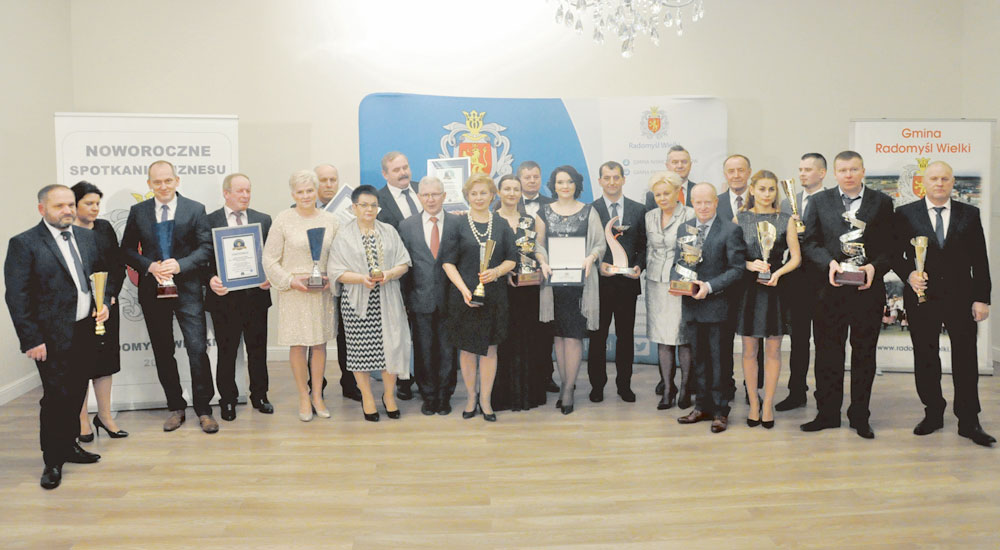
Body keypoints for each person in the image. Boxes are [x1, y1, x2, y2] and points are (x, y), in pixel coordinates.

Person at [5, 184, 108, 489]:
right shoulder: (24, 243)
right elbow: (17, 296)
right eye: (59, 206)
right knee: (55, 397)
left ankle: (69, 445)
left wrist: (104, 303)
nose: (67, 211)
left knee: (76, 392)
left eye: (70, 205)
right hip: (49, 338)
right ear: (42, 209)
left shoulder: (87, 237)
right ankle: (52, 460)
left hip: (85, 330)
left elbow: (101, 276)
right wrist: (31, 339)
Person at [892, 160, 994, 447]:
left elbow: (980, 260)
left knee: (966, 359)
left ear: (952, 182)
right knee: (925, 357)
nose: (939, 183)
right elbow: (894, 254)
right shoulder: (905, 214)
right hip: (922, 297)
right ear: (924, 182)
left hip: (961, 299)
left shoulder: (969, 213)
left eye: (945, 179)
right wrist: (909, 274)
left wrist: (982, 298)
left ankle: (969, 420)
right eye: (934, 178)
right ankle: (933, 412)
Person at [800, 150, 895, 439]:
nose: (849, 175)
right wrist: (828, 263)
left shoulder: (882, 202)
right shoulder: (819, 201)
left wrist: (873, 268)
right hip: (830, 291)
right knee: (828, 354)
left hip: (867, 291)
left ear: (863, 171)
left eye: (854, 169)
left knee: (864, 355)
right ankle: (827, 414)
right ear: (835, 173)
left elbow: (891, 247)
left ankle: (860, 416)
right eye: (843, 170)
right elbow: (809, 242)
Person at [120, 160, 217, 433]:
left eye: (168, 180)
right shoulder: (138, 211)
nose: (163, 186)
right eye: (157, 182)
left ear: (177, 180)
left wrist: (180, 265)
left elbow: (206, 248)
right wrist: (150, 266)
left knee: (197, 349)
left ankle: (204, 410)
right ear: (149, 184)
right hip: (153, 290)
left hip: (188, 290)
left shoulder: (195, 209)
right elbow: (127, 249)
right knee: (163, 351)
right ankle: (175, 407)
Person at [329, 185, 413, 422]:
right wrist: (360, 279)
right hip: (357, 303)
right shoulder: (343, 235)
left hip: (387, 299)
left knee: (390, 348)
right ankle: (367, 397)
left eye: (373, 205)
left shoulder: (389, 231)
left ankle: (389, 396)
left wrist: (389, 274)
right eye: (364, 205)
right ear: (354, 208)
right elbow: (336, 271)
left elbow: (404, 262)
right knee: (360, 353)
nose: (369, 209)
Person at [262, 170, 339, 422]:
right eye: (300, 191)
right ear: (293, 194)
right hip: (295, 292)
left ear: (316, 192)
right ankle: (303, 396)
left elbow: (339, 256)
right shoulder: (283, 220)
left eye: (309, 190)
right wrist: (290, 281)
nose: (305, 196)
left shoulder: (331, 220)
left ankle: (317, 395)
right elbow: (269, 259)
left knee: (319, 344)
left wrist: (331, 278)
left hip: (321, 292)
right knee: (298, 344)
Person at [441, 174, 518, 421]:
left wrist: (496, 272)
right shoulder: (457, 224)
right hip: (463, 296)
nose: (479, 198)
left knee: (490, 349)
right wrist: (464, 290)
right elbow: (447, 262)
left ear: (492, 195)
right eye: (473, 194)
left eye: (483, 193)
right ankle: (471, 398)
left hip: (494, 296)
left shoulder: (502, 224)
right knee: (467, 350)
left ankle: (486, 400)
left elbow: (512, 259)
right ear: (467, 197)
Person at [676, 183, 747, 434]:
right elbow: (679, 262)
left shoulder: (730, 229)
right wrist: (678, 283)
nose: (703, 207)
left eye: (708, 202)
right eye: (698, 202)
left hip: (718, 307)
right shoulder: (685, 228)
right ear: (692, 204)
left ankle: (720, 411)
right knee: (699, 360)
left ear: (716, 202)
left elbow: (737, 269)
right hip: (692, 305)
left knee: (719, 361)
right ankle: (701, 407)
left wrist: (709, 286)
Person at [734, 170, 801, 428]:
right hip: (748, 290)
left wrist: (779, 273)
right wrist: (749, 264)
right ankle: (753, 402)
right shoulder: (740, 218)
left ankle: (768, 404)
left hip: (776, 289)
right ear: (752, 190)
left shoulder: (786, 219)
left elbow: (796, 257)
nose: (767, 194)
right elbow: (731, 255)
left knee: (773, 350)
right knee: (749, 351)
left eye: (771, 189)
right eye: (761, 188)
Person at [537, 166, 605, 415]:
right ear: (553, 185)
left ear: (577, 185)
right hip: (553, 285)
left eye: (569, 182)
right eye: (560, 182)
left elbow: (599, 244)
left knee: (573, 337)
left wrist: (591, 257)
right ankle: (566, 382)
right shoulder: (543, 212)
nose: (564, 186)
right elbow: (537, 245)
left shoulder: (589, 211)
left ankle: (568, 389)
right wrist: (543, 261)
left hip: (580, 285)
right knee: (559, 337)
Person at [205, 173, 274, 420]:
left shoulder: (263, 219)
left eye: (248, 190)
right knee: (227, 353)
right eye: (240, 191)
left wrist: (270, 276)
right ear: (226, 193)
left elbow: (272, 256)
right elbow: (202, 258)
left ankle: (260, 396)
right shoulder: (209, 221)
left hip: (256, 297)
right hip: (224, 300)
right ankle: (227, 400)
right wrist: (210, 278)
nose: (245, 195)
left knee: (258, 351)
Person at [71, 181, 128, 441]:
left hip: (107, 306)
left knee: (105, 364)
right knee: (80, 365)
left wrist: (109, 297)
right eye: (89, 203)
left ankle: (104, 417)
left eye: (97, 203)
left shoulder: (104, 228)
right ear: (74, 205)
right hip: (79, 311)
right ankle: (82, 419)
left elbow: (117, 265)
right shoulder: (66, 233)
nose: (95, 208)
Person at [398, 176, 459, 415]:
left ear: (444, 196)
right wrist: (405, 300)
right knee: (423, 350)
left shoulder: (457, 223)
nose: (431, 199)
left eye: (435, 194)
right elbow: (404, 265)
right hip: (419, 299)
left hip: (450, 300)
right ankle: (428, 395)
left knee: (447, 351)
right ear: (419, 197)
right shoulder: (406, 226)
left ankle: (444, 396)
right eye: (426, 195)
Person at [587, 161, 646, 403]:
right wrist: (597, 264)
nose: (611, 182)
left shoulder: (638, 209)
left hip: (627, 285)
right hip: (599, 284)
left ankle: (624, 385)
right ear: (600, 181)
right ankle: (597, 386)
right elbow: (587, 246)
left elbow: (644, 245)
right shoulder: (590, 209)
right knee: (597, 338)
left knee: (625, 338)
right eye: (607, 177)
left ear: (623, 179)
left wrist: (639, 266)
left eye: (616, 177)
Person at [493, 174, 550, 411]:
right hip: (502, 290)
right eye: (507, 189)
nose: (511, 193)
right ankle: (505, 397)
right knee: (504, 341)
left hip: (527, 290)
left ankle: (529, 395)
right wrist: (505, 272)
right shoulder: (492, 219)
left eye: (515, 189)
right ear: (499, 192)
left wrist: (542, 263)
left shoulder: (529, 220)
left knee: (529, 340)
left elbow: (533, 250)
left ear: (520, 193)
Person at [776, 152, 827, 411]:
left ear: (822, 173)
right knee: (798, 340)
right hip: (795, 279)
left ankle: (825, 396)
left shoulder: (832, 201)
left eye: (808, 169)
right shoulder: (788, 203)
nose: (802, 174)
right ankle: (796, 392)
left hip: (824, 279)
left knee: (825, 341)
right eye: (800, 169)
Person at [644, 171, 695, 410]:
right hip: (655, 283)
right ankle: (667, 388)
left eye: (666, 193)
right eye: (658, 195)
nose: (662, 198)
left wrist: (687, 280)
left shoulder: (690, 215)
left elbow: (694, 252)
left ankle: (685, 388)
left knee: (682, 338)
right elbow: (648, 248)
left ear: (677, 193)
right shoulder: (650, 216)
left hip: (680, 283)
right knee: (662, 338)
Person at [375, 151, 419, 400]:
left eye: (405, 167)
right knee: (399, 332)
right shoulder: (378, 200)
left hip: (428, 273)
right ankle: (404, 380)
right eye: (396, 170)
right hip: (396, 277)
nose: (403, 173)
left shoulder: (423, 190)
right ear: (385, 174)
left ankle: (426, 377)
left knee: (425, 330)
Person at [517, 160, 559, 395]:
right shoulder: (505, 203)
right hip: (517, 277)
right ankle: (522, 376)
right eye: (527, 177)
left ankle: (546, 376)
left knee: (545, 329)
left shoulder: (552, 204)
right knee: (521, 328)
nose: (532, 181)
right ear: (519, 179)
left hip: (546, 274)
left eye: (535, 176)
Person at [645, 145, 694, 211]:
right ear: (667, 166)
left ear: (690, 165)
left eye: (684, 162)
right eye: (675, 162)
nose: (680, 166)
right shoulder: (652, 194)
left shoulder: (700, 191)